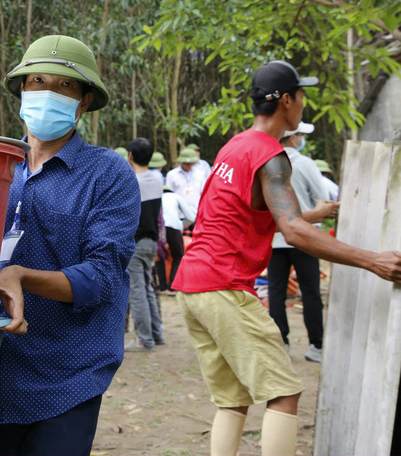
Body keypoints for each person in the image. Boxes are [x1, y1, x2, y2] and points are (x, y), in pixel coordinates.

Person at [171, 59, 401, 456]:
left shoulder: (235, 146)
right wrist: (371, 260)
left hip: (192, 285)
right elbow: (293, 231)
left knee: (232, 399)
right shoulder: (271, 154)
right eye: (301, 96)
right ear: (287, 102)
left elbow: (240, 217)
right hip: (224, 286)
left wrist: (308, 215)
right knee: (284, 393)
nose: (304, 104)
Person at [0, 35, 140, 456]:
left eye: (65, 86)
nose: (48, 92)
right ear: (22, 91)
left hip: (68, 371)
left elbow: (101, 276)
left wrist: (22, 276)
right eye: (39, 81)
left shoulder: (108, 174)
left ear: (83, 103)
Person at [268, 121, 337, 363]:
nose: (301, 139)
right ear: (293, 139)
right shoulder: (305, 164)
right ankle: (316, 346)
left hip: (275, 237)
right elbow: (323, 199)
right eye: (299, 135)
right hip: (304, 237)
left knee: (276, 292)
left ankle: (281, 344)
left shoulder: (268, 162)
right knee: (311, 292)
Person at [124, 137, 165, 352]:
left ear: (130, 156)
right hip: (151, 242)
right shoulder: (157, 179)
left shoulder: (131, 182)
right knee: (147, 288)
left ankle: (144, 339)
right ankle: (156, 334)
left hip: (136, 243)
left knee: (137, 291)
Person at [156, 185, 195, 294]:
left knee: (160, 257)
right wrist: (181, 225)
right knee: (178, 256)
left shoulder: (157, 197)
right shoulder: (175, 196)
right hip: (173, 227)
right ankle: (172, 286)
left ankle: (162, 286)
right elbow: (191, 217)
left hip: (159, 228)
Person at [165, 148, 206, 219]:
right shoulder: (172, 175)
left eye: (191, 163)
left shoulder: (199, 174)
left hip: (196, 213)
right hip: (179, 215)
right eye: (186, 163)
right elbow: (169, 196)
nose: (189, 165)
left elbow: (203, 193)